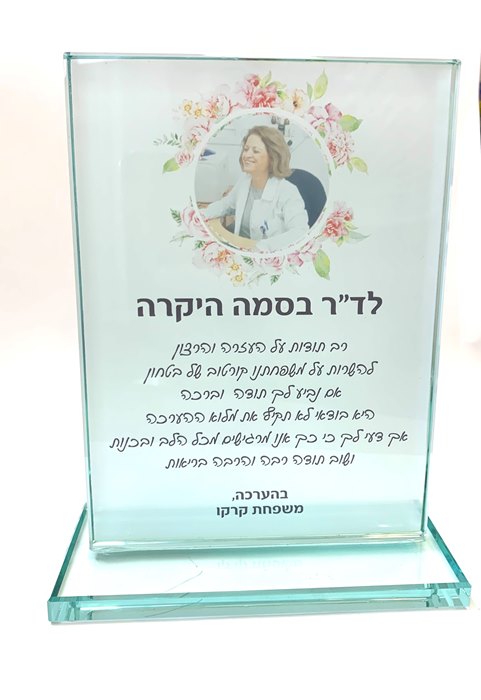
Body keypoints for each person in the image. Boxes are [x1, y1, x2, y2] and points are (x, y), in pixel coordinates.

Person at [202, 126, 309, 252]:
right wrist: (201, 214)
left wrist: (263, 247)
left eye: (255, 151)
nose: (247, 155)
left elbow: (300, 232)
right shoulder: (245, 180)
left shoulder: (288, 192)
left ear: (272, 157)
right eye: (246, 149)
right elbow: (226, 205)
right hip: (241, 247)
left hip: (267, 255)